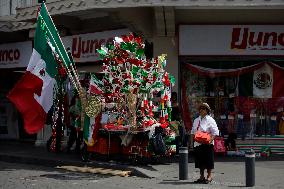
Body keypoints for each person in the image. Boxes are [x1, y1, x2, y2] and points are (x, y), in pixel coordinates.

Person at [191, 102, 219, 184]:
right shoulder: (196, 120)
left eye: (203, 109)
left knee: (208, 160)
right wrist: (192, 141)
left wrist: (210, 140)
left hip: (207, 143)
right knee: (200, 161)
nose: (201, 110)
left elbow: (215, 132)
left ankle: (209, 176)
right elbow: (193, 131)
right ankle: (201, 176)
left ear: (207, 110)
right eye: (200, 108)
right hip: (198, 143)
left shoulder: (210, 120)